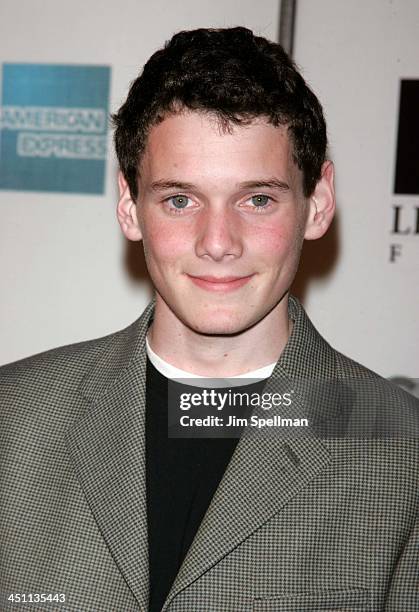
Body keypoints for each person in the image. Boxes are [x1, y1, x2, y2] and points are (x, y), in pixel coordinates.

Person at [1, 27, 418, 612]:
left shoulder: (402, 456)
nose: (218, 243)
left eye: (257, 200)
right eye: (180, 200)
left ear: (317, 203)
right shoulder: (12, 420)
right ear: (129, 205)